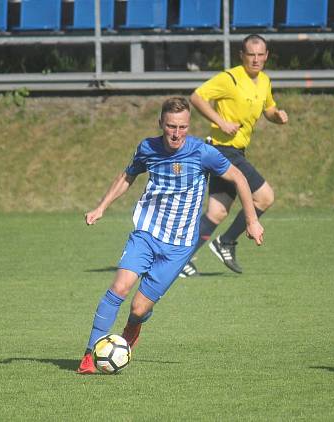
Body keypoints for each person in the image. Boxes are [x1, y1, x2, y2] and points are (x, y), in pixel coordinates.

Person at [77, 97, 264, 374]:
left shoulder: (202, 152)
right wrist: (101, 207)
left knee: (139, 308)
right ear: (161, 124)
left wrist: (251, 221)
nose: (176, 133)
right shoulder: (147, 148)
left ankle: (133, 327)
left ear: (189, 126)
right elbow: (127, 176)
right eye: (171, 126)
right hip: (147, 232)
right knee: (119, 287)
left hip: (178, 246)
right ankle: (90, 355)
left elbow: (238, 177)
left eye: (182, 127)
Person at [179, 34, 287, 278]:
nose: (256, 59)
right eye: (251, 55)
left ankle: (180, 260)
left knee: (217, 212)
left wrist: (276, 116)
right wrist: (221, 121)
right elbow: (197, 97)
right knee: (265, 197)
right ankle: (226, 242)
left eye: (261, 55)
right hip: (223, 150)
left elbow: (268, 108)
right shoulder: (230, 79)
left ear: (267, 56)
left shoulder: (265, 81)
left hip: (234, 151)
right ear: (242, 55)